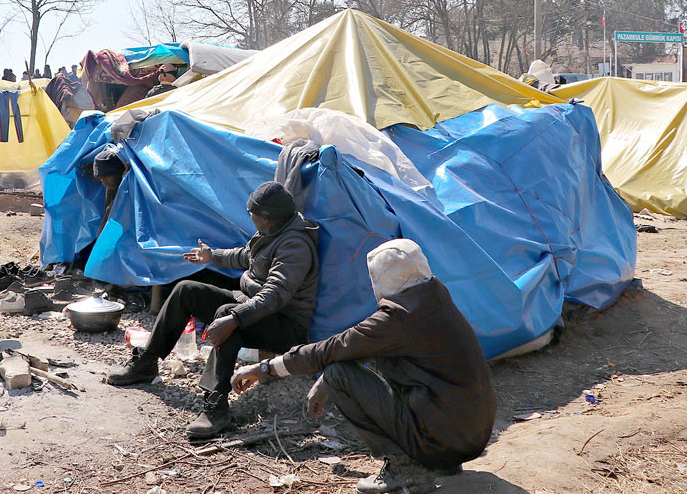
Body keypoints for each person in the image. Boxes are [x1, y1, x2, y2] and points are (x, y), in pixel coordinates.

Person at [231, 239, 497, 494]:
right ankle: (443, 463)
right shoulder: (435, 296)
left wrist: (266, 368)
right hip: (473, 435)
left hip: (444, 440)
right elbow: (361, 345)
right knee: (356, 366)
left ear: (382, 277)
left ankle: (405, 469)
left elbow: (334, 347)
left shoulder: (397, 318)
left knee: (338, 374)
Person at [107, 181, 320, 438]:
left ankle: (216, 404)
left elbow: (276, 295)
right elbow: (249, 256)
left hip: (284, 324)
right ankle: (147, 363)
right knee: (187, 290)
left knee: (226, 316)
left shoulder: (294, 246)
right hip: (252, 303)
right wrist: (213, 256)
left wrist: (234, 318)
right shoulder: (274, 232)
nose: (249, 216)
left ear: (267, 217)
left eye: (253, 213)